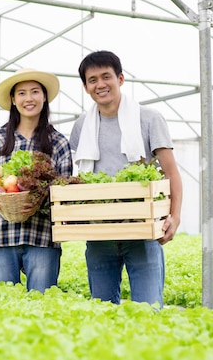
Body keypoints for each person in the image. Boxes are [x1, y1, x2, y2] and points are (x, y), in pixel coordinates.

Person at [70, 50, 182, 308]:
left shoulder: (149, 118)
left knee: (149, 309)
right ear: (86, 87)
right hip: (99, 233)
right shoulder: (81, 125)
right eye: (93, 79)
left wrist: (174, 216)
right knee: (102, 311)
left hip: (142, 231)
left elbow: (171, 173)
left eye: (106, 76)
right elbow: (77, 177)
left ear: (120, 79)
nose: (100, 84)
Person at [0, 68, 73, 293]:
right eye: (21, 93)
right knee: (2, 307)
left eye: (35, 92)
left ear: (44, 97)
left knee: (41, 308)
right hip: (1, 236)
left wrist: (42, 199)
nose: (28, 98)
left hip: (42, 237)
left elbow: (66, 193)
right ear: (13, 100)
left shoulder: (58, 142)